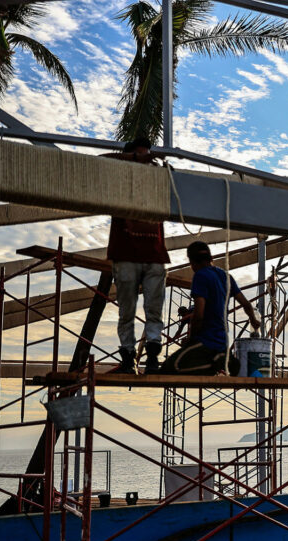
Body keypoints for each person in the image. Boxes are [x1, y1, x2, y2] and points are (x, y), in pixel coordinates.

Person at [102, 137, 169, 374]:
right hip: (127, 255)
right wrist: (132, 159)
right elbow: (97, 161)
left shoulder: (157, 178)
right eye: (140, 156)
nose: (145, 162)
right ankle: (129, 359)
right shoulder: (118, 178)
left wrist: (151, 163)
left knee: (153, 310)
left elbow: (177, 181)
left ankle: (151, 359)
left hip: (153, 257)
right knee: (127, 312)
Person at [161, 241, 260, 374]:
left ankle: (218, 361)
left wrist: (191, 341)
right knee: (195, 366)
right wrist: (253, 319)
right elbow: (246, 304)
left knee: (170, 367)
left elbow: (199, 315)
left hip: (205, 342)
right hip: (223, 342)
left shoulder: (200, 276)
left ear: (192, 262)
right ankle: (223, 359)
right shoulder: (226, 276)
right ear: (210, 258)